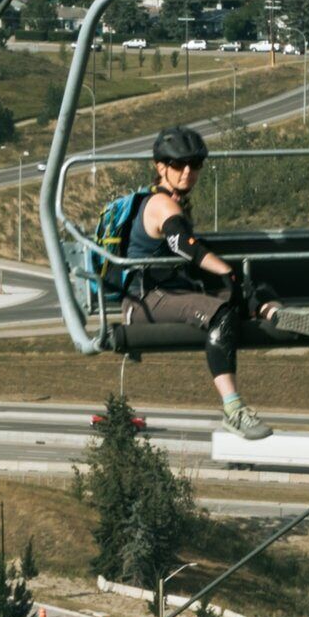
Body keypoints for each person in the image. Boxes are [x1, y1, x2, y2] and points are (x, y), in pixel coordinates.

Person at [117, 127, 273, 438]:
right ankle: (233, 409)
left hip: (170, 291)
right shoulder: (161, 204)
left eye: (195, 164)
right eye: (178, 164)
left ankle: (274, 312)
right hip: (144, 299)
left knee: (255, 290)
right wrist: (226, 271)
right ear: (160, 167)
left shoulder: (175, 202)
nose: (187, 171)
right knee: (220, 314)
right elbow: (183, 245)